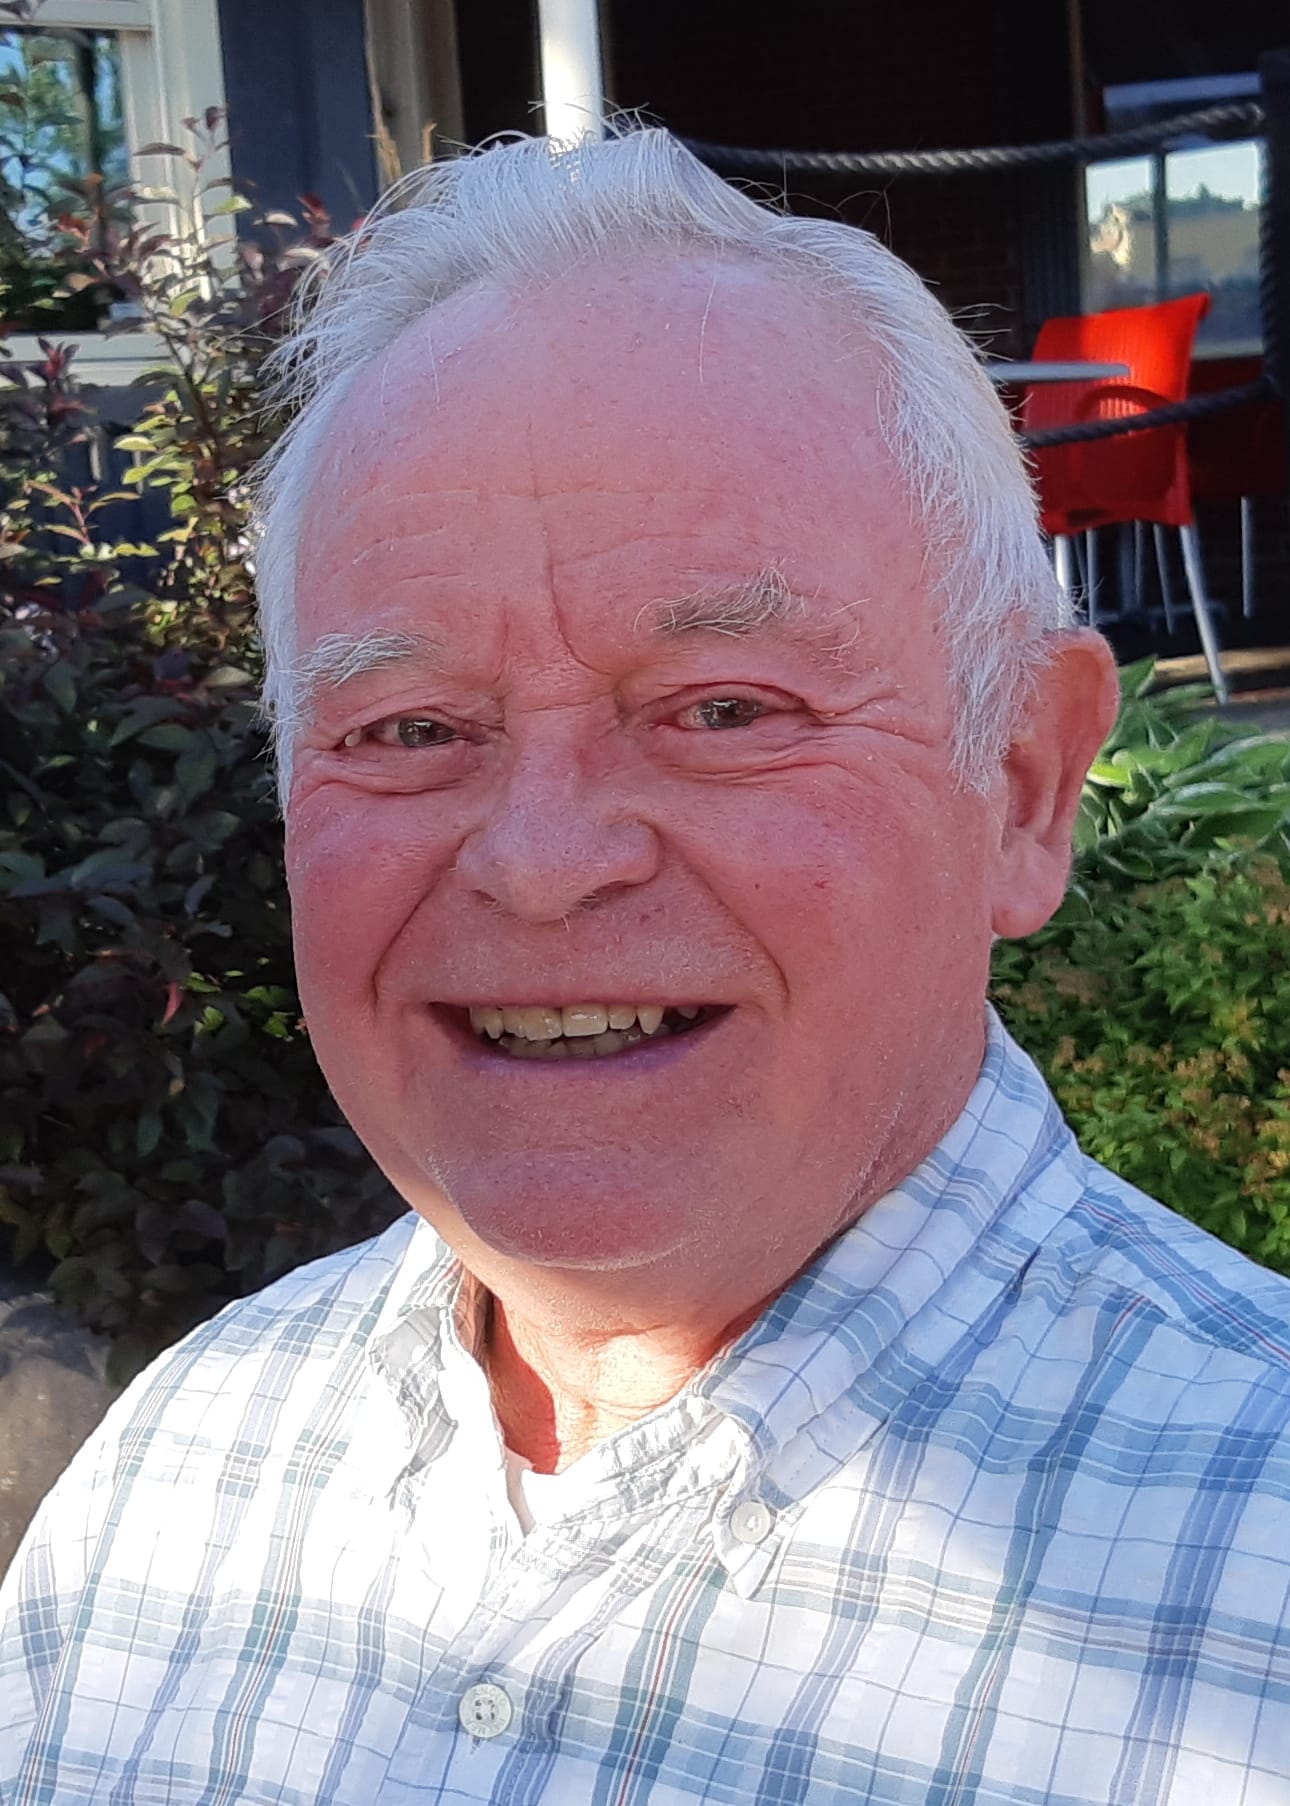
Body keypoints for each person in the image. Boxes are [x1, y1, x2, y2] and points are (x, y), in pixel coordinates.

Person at [2, 128, 1288, 1806]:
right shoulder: (168, 1489)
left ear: (1024, 785)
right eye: (410, 728)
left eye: (725, 708)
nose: (541, 859)